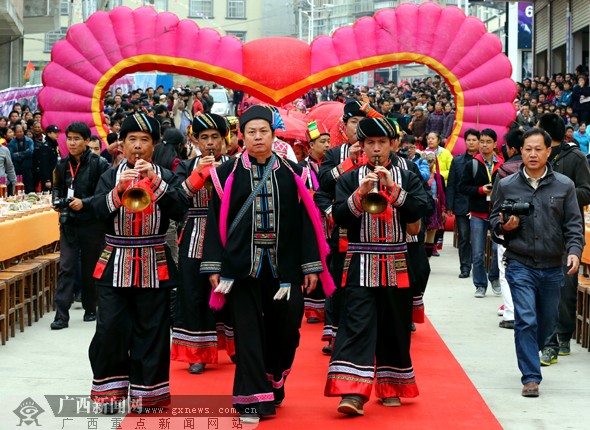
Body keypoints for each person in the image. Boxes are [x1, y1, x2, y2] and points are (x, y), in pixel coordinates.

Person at [200, 105, 332, 424]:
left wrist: (310, 265)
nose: (258, 137)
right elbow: (216, 222)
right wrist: (214, 265)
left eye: (263, 131)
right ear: (241, 137)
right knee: (247, 332)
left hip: (283, 269)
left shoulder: (294, 173)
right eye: (251, 132)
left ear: (274, 136)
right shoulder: (223, 175)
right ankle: (251, 399)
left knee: (286, 330)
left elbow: (306, 223)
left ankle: (274, 379)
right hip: (240, 269)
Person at [324, 117, 430, 416]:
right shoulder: (348, 178)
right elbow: (340, 218)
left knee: (394, 324)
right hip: (359, 261)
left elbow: (422, 209)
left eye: (382, 143)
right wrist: (361, 193)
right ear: (361, 146)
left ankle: (391, 385)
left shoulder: (407, 176)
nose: (376, 149)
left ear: (393, 144)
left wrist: (392, 189)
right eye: (369, 143)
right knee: (357, 323)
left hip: (397, 259)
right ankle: (353, 393)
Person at [89, 113, 187, 412]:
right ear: (122, 143)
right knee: (110, 329)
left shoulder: (167, 175)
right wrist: (118, 190)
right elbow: (95, 213)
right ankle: (109, 392)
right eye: (132, 139)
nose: (138, 146)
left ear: (154, 145)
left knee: (152, 330)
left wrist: (156, 184)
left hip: (154, 263)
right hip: (114, 264)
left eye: (145, 140)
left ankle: (148, 396)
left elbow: (180, 209)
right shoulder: (109, 174)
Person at [490, 127, 584, 398]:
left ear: (548, 151)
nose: (532, 154)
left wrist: (575, 250)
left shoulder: (564, 185)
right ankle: (531, 376)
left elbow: (574, 225)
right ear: (521, 151)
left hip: (553, 266)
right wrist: (506, 226)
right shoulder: (507, 184)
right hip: (520, 262)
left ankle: (536, 349)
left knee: (547, 322)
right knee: (526, 320)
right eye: (527, 149)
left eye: (538, 149)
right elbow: (494, 221)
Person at [170, 114, 234, 374]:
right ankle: (197, 353)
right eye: (204, 137)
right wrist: (198, 176)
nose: (210, 143)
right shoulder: (185, 166)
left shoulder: (235, 165)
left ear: (224, 140)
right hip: (194, 234)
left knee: (232, 292)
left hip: (228, 235)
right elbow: (175, 203)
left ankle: (235, 346)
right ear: (195, 140)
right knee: (194, 294)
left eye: (215, 137)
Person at [537, 113, 590, 365]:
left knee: (566, 286)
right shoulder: (539, 157)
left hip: (568, 229)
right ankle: (549, 339)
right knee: (543, 286)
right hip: (540, 230)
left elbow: (587, 190)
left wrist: (561, 194)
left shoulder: (576, 157)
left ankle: (563, 335)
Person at [317, 101, 367, 355]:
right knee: (338, 282)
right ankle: (335, 334)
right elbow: (322, 188)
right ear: (344, 126)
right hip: (342, 229)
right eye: (354, 123)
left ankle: (365, 334)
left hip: (373, 229)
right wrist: (332, 215)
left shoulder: (377, 152)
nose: (358, 128)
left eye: (362, 123)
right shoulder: (334, 154)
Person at [50, 122, 109, 330]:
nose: (72, 143)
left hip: (92, 224)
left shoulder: (100, 164)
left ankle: (90, 307)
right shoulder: (62, 164)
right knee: (66, 267)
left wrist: (84, 202)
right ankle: (61, 315)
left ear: (86, 141)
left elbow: (104, 195)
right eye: (70, 139)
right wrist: (56, 201)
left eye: (77, 139)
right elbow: (57, 188)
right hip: (68, 223)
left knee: (90, 267)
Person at [460, 128, 503, 298]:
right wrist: (480, 190)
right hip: (477, 212)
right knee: (477, 252)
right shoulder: (472, 163)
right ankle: (480, 284)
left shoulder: (501, 164)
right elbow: (462, 187)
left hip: (496, 213)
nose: (484, 145)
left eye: (488, 142)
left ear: (494, 144)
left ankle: (494, 277)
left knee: (496, 249)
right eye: (482, 141)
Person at [299, 121, 331, 324]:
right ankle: (312, 309)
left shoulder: (331, 166)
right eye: (322, 142)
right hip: (312, 220)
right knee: (314, 259)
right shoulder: (302, 168)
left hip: (330, 220)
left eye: (328, 141)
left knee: (330, 261)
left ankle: (329, 305)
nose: (327, 145)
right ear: (310, 145)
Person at [494, 129, 524, 330]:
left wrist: (498, 226)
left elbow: (495, 206)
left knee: (506, 272)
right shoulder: (545, 170)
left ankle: (512, 313)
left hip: (509, 230)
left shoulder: (504, 170)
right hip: (535, 232)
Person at [446, 129, 479, 278]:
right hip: (461, 204)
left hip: (479, 204)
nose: (471, 142)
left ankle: (478, 266)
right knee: (464, 237)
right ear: (465, 142)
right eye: (469, 140)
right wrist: (449, 206)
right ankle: (465, 267)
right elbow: (451, 184)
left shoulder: (483, 160)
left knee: (477, 237)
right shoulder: (457, 160)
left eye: (474, 140)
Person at [7, 124, 35, 193]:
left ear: (23, 132)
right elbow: (11, 155)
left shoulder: (29, 141)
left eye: (21, 131)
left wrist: (19, 154)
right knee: (17, 189)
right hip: (16, 169)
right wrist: (24, 154)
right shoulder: (11, 143)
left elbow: (31, 152)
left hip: (27, 168)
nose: (19, 133)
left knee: (29, 189)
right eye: (17, 132)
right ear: (15, 133)